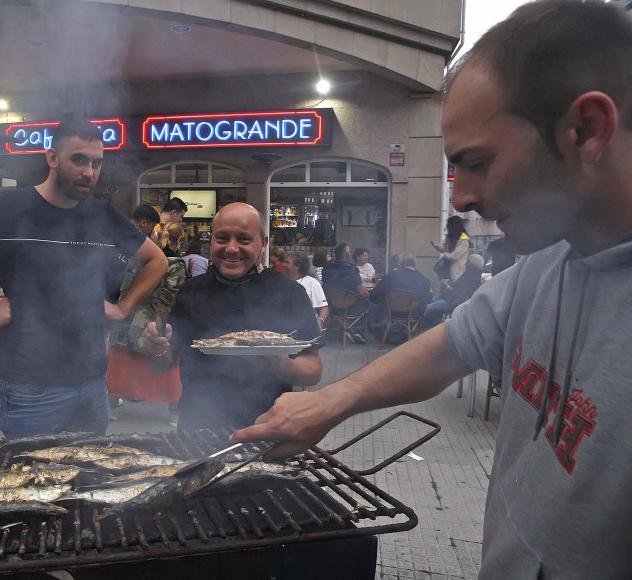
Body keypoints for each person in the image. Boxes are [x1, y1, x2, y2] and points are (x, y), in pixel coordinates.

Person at [232, 3, 632, 578]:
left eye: (477, 162)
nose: (462, 198)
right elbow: (453, 344)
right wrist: (329, 403)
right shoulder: (550, 260)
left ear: (586, 130)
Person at [0, 117, 167, 438]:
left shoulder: (103, 216)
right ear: (52, 158)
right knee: (31, 482)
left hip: (92, 384)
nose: (89, 172)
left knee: (86, 478)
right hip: (30, 388)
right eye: (78, 160)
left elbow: (156, 260)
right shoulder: (5, 208)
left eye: (96, 163)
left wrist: (123, 308)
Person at [142, 203, 322, 431]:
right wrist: (156, 346)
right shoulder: (191, 290)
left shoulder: (289, 293)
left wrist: (281, 364)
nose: (231, 248)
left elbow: (313, 370)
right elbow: (163, 363)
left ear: (263, 243)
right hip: (197, 431)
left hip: (265, 430)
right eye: (222, 238)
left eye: (244, 240)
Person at [107, 221, 187, 425]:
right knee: (167, 363)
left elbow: (125, 290)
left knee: (121, 364)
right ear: (179, 240)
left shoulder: (138, 261)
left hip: (130, 320)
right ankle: (174, 413)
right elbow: (174, 297)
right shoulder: (176, 265)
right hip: (159, 320)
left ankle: (112, 407)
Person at [106, 204, 159, 302]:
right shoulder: (132, 239)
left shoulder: (116, 231)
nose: (153, 231)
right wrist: (152, 245)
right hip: (113, 293)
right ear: (143, 223)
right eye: (153, 226)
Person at [369, 254, 431, 338]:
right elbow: (428, 299)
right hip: (413, 313)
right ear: (415, 265)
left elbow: (377, 292)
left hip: (392, 312)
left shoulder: (391, 275)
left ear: (402, 264)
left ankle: (381, 328)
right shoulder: (424, 279)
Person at [321, 242, 371, 343]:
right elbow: (363, 293)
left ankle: (348, 328)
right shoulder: (352, 269)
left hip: (331, 305)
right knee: (368, 304)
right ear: (348, 255)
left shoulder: (327, 267)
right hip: (350, 306)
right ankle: (355, 330)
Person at [423, 254, 482, 326]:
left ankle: (438, 329)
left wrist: (447, 286)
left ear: (473, 266)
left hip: (453, 302)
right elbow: (456, 285)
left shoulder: (473, 279)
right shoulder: (468, 274)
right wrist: (448, 282)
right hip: (447, 298)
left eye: (468, 262)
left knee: (428, 308)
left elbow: (460, 294)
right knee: (425, 304)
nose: (465, 263)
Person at [285, 252, 328, 331]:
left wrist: (320, 321)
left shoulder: (312, 283)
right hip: (284, 325)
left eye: (287, 263)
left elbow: (324, 308)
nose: (284, 265)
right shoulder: (283, 282)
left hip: (306, 327)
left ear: (297, 266)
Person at [430, 215, 470, 282]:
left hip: (456, 270)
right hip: (446, 269)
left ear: (454, 226)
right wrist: (436, 246)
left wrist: (445, 254)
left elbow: (455, 256)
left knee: (453, 289)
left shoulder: (464, 239)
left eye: (448, 225)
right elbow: (444, 248)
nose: (447, 227)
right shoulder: (450, 237)